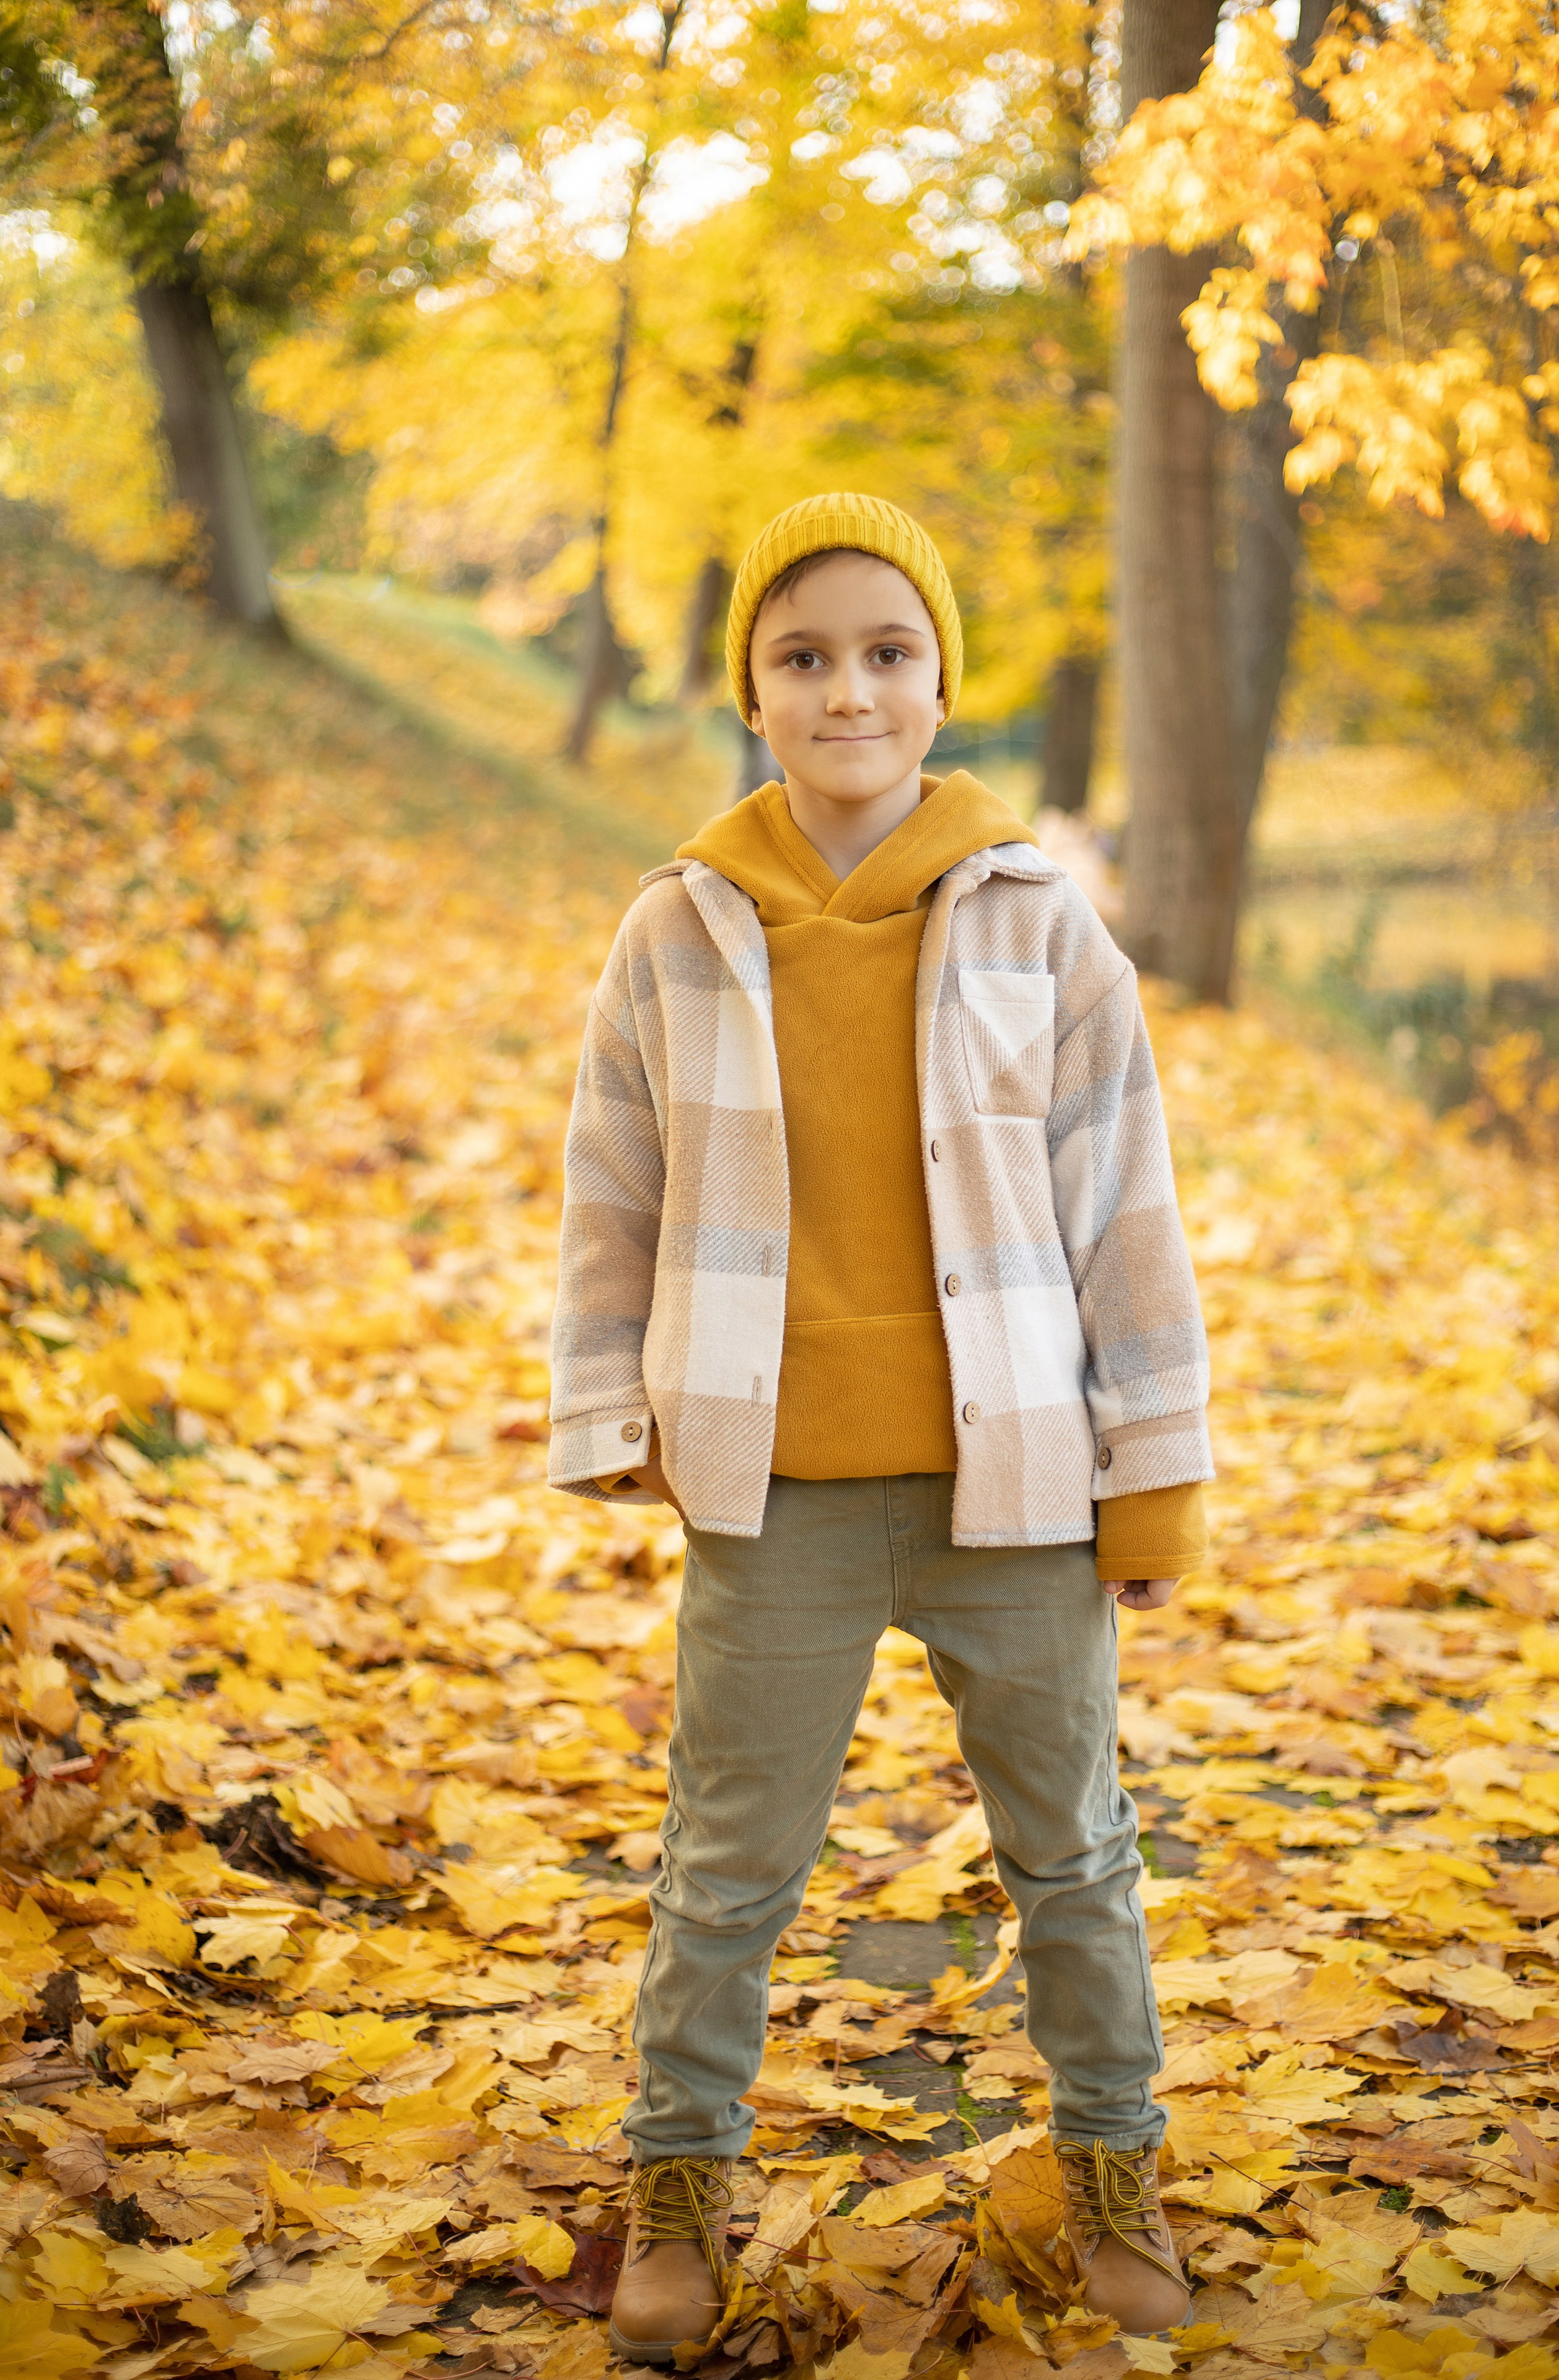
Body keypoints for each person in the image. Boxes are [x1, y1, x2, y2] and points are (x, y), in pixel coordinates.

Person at [548, 493, 1211, 2365]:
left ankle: (1113, 2165)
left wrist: (1152, 1476)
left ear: (940, 681)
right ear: (753, 692)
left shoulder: (1037, 923)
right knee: (726, 1865)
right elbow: (611, 1191)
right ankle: (676, 2180)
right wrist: (611, 1411)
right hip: (780, 1498)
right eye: (806, 658)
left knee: (1073, 1851)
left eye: (887, 652)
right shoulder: (676, 930)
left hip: (1017, 1483)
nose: (850, 690)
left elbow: (1124, 1206)